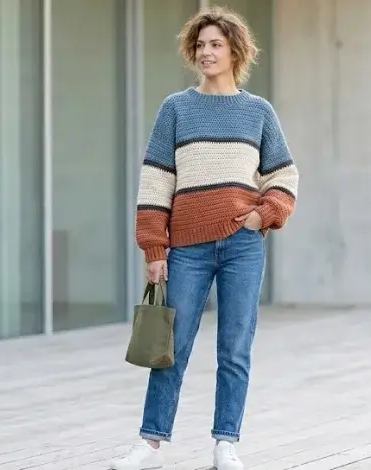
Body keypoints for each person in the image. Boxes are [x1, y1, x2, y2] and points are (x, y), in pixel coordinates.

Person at [111, 6, 299, 470]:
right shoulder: (176, 109)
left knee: (235, 346)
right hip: (188, 248)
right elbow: (155, 182)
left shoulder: (258, 112)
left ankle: (225, 444)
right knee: (170, 347)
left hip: (242, 245)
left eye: (216, 44)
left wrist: (263, 217)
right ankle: (151, 444)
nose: (206, 52)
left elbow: (284, 175)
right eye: (200, 45)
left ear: (236, 50)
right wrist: (155, 248)